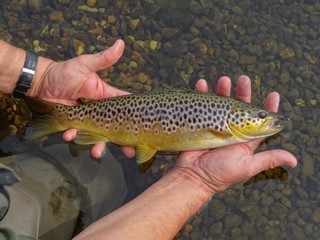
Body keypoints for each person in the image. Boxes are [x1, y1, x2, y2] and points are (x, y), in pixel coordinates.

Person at [0, 39, 297, 239]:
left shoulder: (226, 124)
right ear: (233, 119)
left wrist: (39, 78)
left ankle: (50, 117)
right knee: (102, 179)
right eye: (259, 117)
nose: (267, 121)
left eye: (259, 117)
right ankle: (53, 118)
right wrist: (200, 182)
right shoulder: (222, 130)